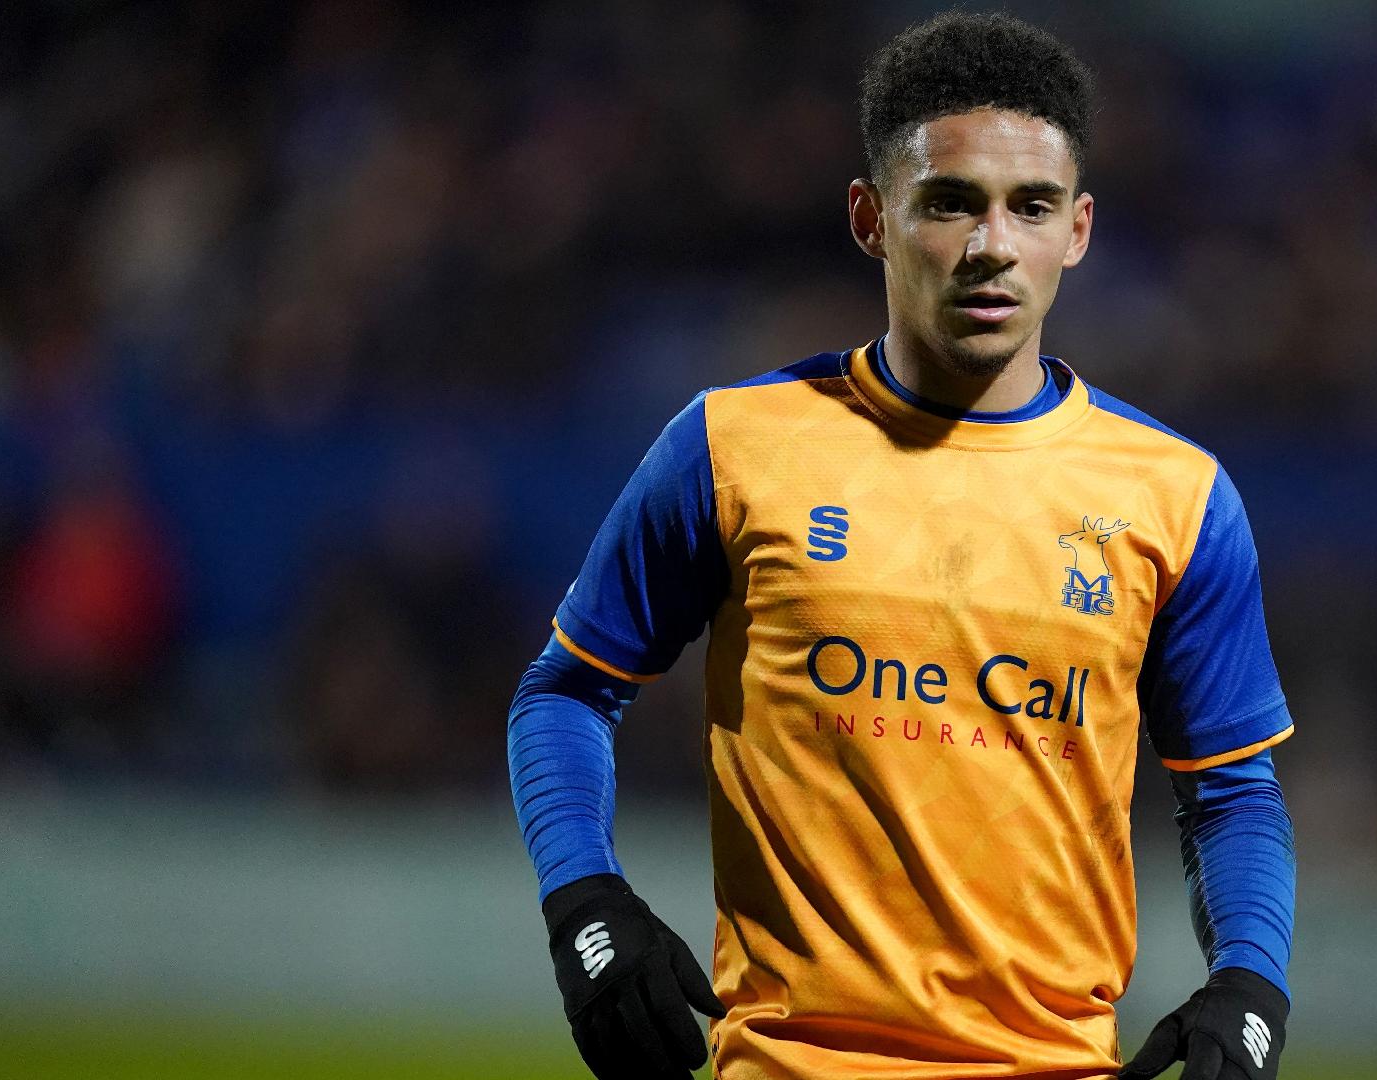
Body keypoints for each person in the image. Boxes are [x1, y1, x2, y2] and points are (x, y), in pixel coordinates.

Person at [508, 12, 1297, 1079]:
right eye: (950, 203)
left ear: (1079, 230)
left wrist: (1250, 985)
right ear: (870, 217)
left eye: (1031, 207)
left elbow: (1231, 791)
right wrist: (586, 907)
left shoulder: (1177, 497)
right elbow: (565, 692)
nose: (992, 246)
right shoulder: (730, 445)